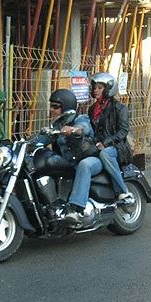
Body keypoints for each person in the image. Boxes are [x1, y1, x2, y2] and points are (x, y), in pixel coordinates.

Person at [46, 89, 102, 223]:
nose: (52, 110)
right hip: (70, 163)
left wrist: (73, 130)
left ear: (66, 107)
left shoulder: (80, 119)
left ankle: (75, 208)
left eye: (55, 107)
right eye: (51, 106)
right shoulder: (56, 124)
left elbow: (83, 129)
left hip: (91, 159)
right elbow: (43, 139)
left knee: (84, 165)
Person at [87, 72, 132, 201]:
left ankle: (122, 190)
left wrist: (106, 143)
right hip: (97, 145)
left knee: (105, 154)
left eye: (100, 88)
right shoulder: (92, 109)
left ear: (108, 89)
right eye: (95, 88)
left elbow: (123, 131)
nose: (96, 90)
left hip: (117, 147)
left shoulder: (119, 108)